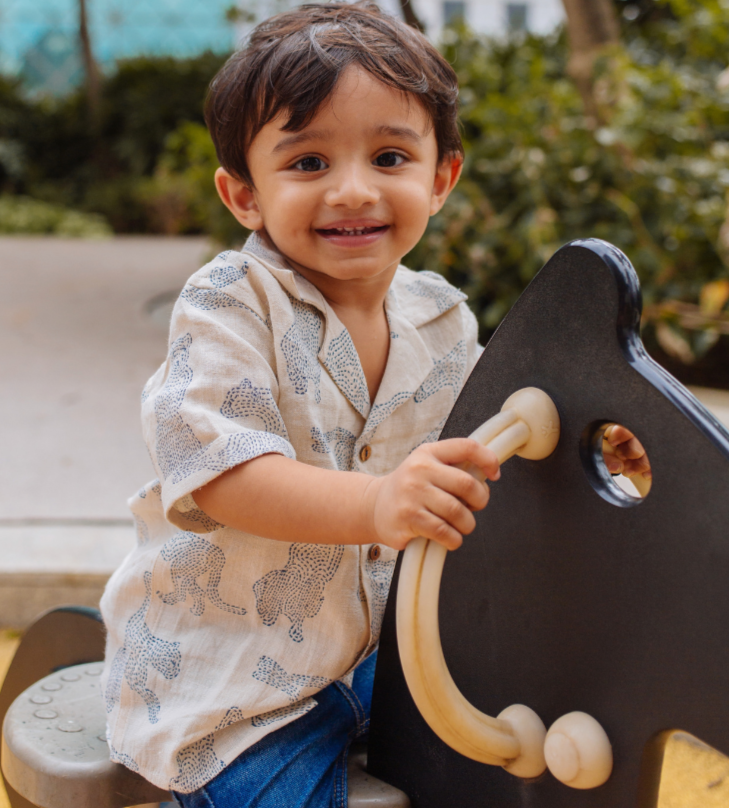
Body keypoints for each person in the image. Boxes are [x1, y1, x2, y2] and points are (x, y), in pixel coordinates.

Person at [100, 4, 648, 806]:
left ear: (441, 177)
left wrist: (597, 448)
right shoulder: (229, 305)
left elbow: (499, 449)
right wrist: (381, 501)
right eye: (309, 162)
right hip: (241, 684)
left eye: (389, 156)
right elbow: (223, 474)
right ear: (244, 194)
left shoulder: (443, 319)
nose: (352, 191)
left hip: (398, 653)